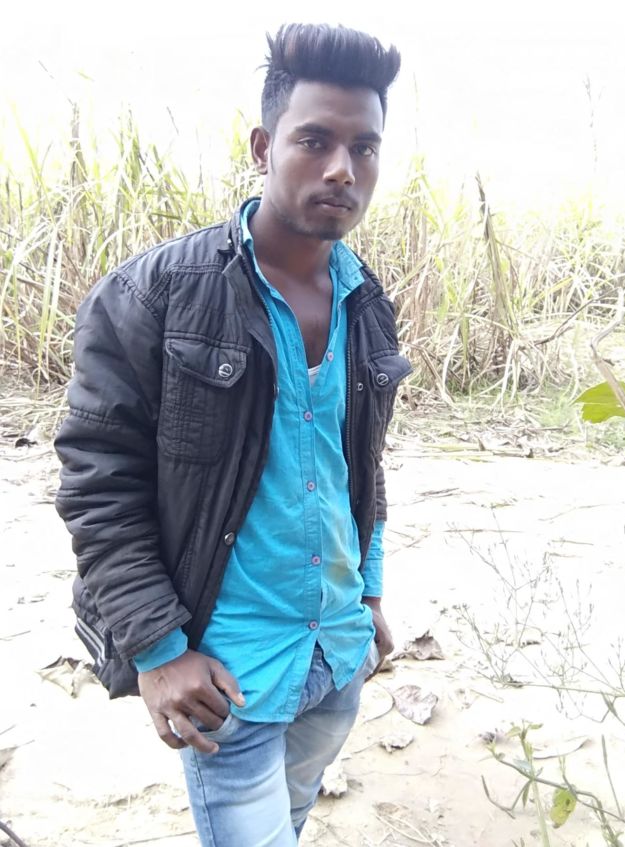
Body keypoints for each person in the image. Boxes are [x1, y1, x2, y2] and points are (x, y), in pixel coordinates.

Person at [54, 22, 410, 847]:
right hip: (229, 678)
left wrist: (368, 593)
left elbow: (360, 464)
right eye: (314, 141)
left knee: (291, 815)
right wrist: (157, 649)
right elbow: (98, 483)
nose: (342, 169)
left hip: (335, 657)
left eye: (364, 147)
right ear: (262, 146)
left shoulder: (367, 302)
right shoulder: (155, 295)